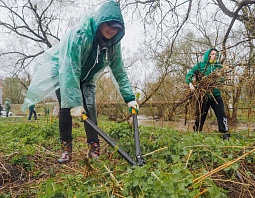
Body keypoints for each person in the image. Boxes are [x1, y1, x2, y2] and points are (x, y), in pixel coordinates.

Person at [22, 0, 139, 163]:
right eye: (109, 25)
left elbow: (119, 70)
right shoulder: (80, 35)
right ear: (100, 22)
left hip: (87, 78)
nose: (112, 30)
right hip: (63, 71)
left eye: (116, 28)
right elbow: (70, 68)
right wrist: (75, 103)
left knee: (90, 108)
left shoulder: (113, 44)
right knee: (66, 108)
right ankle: (66, 149)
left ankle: (94, 148)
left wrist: (130, 98)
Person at [186, 48, 230, 141]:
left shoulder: (218, 66)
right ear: (208, 55)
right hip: (204, 96)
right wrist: (190, 83)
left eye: (216, 54)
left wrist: (217, 79)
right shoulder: (200, 65)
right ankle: (197, 132)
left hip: (216, 95)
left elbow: (223, 78)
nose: (215, 56)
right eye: (213, 54)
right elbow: (189, 75)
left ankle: (225, 133)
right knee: (200, 114)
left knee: (221, 114)